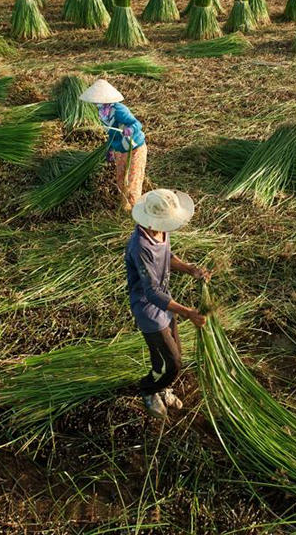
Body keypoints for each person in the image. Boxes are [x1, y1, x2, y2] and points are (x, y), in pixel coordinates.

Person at [125, 188, 211, 420]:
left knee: (173, 355)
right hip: (149, 309)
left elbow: (168, 256)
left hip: (166, 302)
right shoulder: (140, 246)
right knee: (172, 363)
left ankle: (162, 386)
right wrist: (188, 312)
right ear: (154, 219)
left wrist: (190, 268)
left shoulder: (160, 231)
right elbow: (152, 293)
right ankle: (148, 390)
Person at [80, 79, 147, 210]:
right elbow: (111, 133)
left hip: (135, 148)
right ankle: (125, 208)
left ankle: (137, 212)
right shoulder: (102, 113)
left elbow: (137, 124)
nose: (95, 103)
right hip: (121, 149)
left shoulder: (118, 110)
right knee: (121, 180)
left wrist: (130, 130)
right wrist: (110, 149)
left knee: (133, 181)